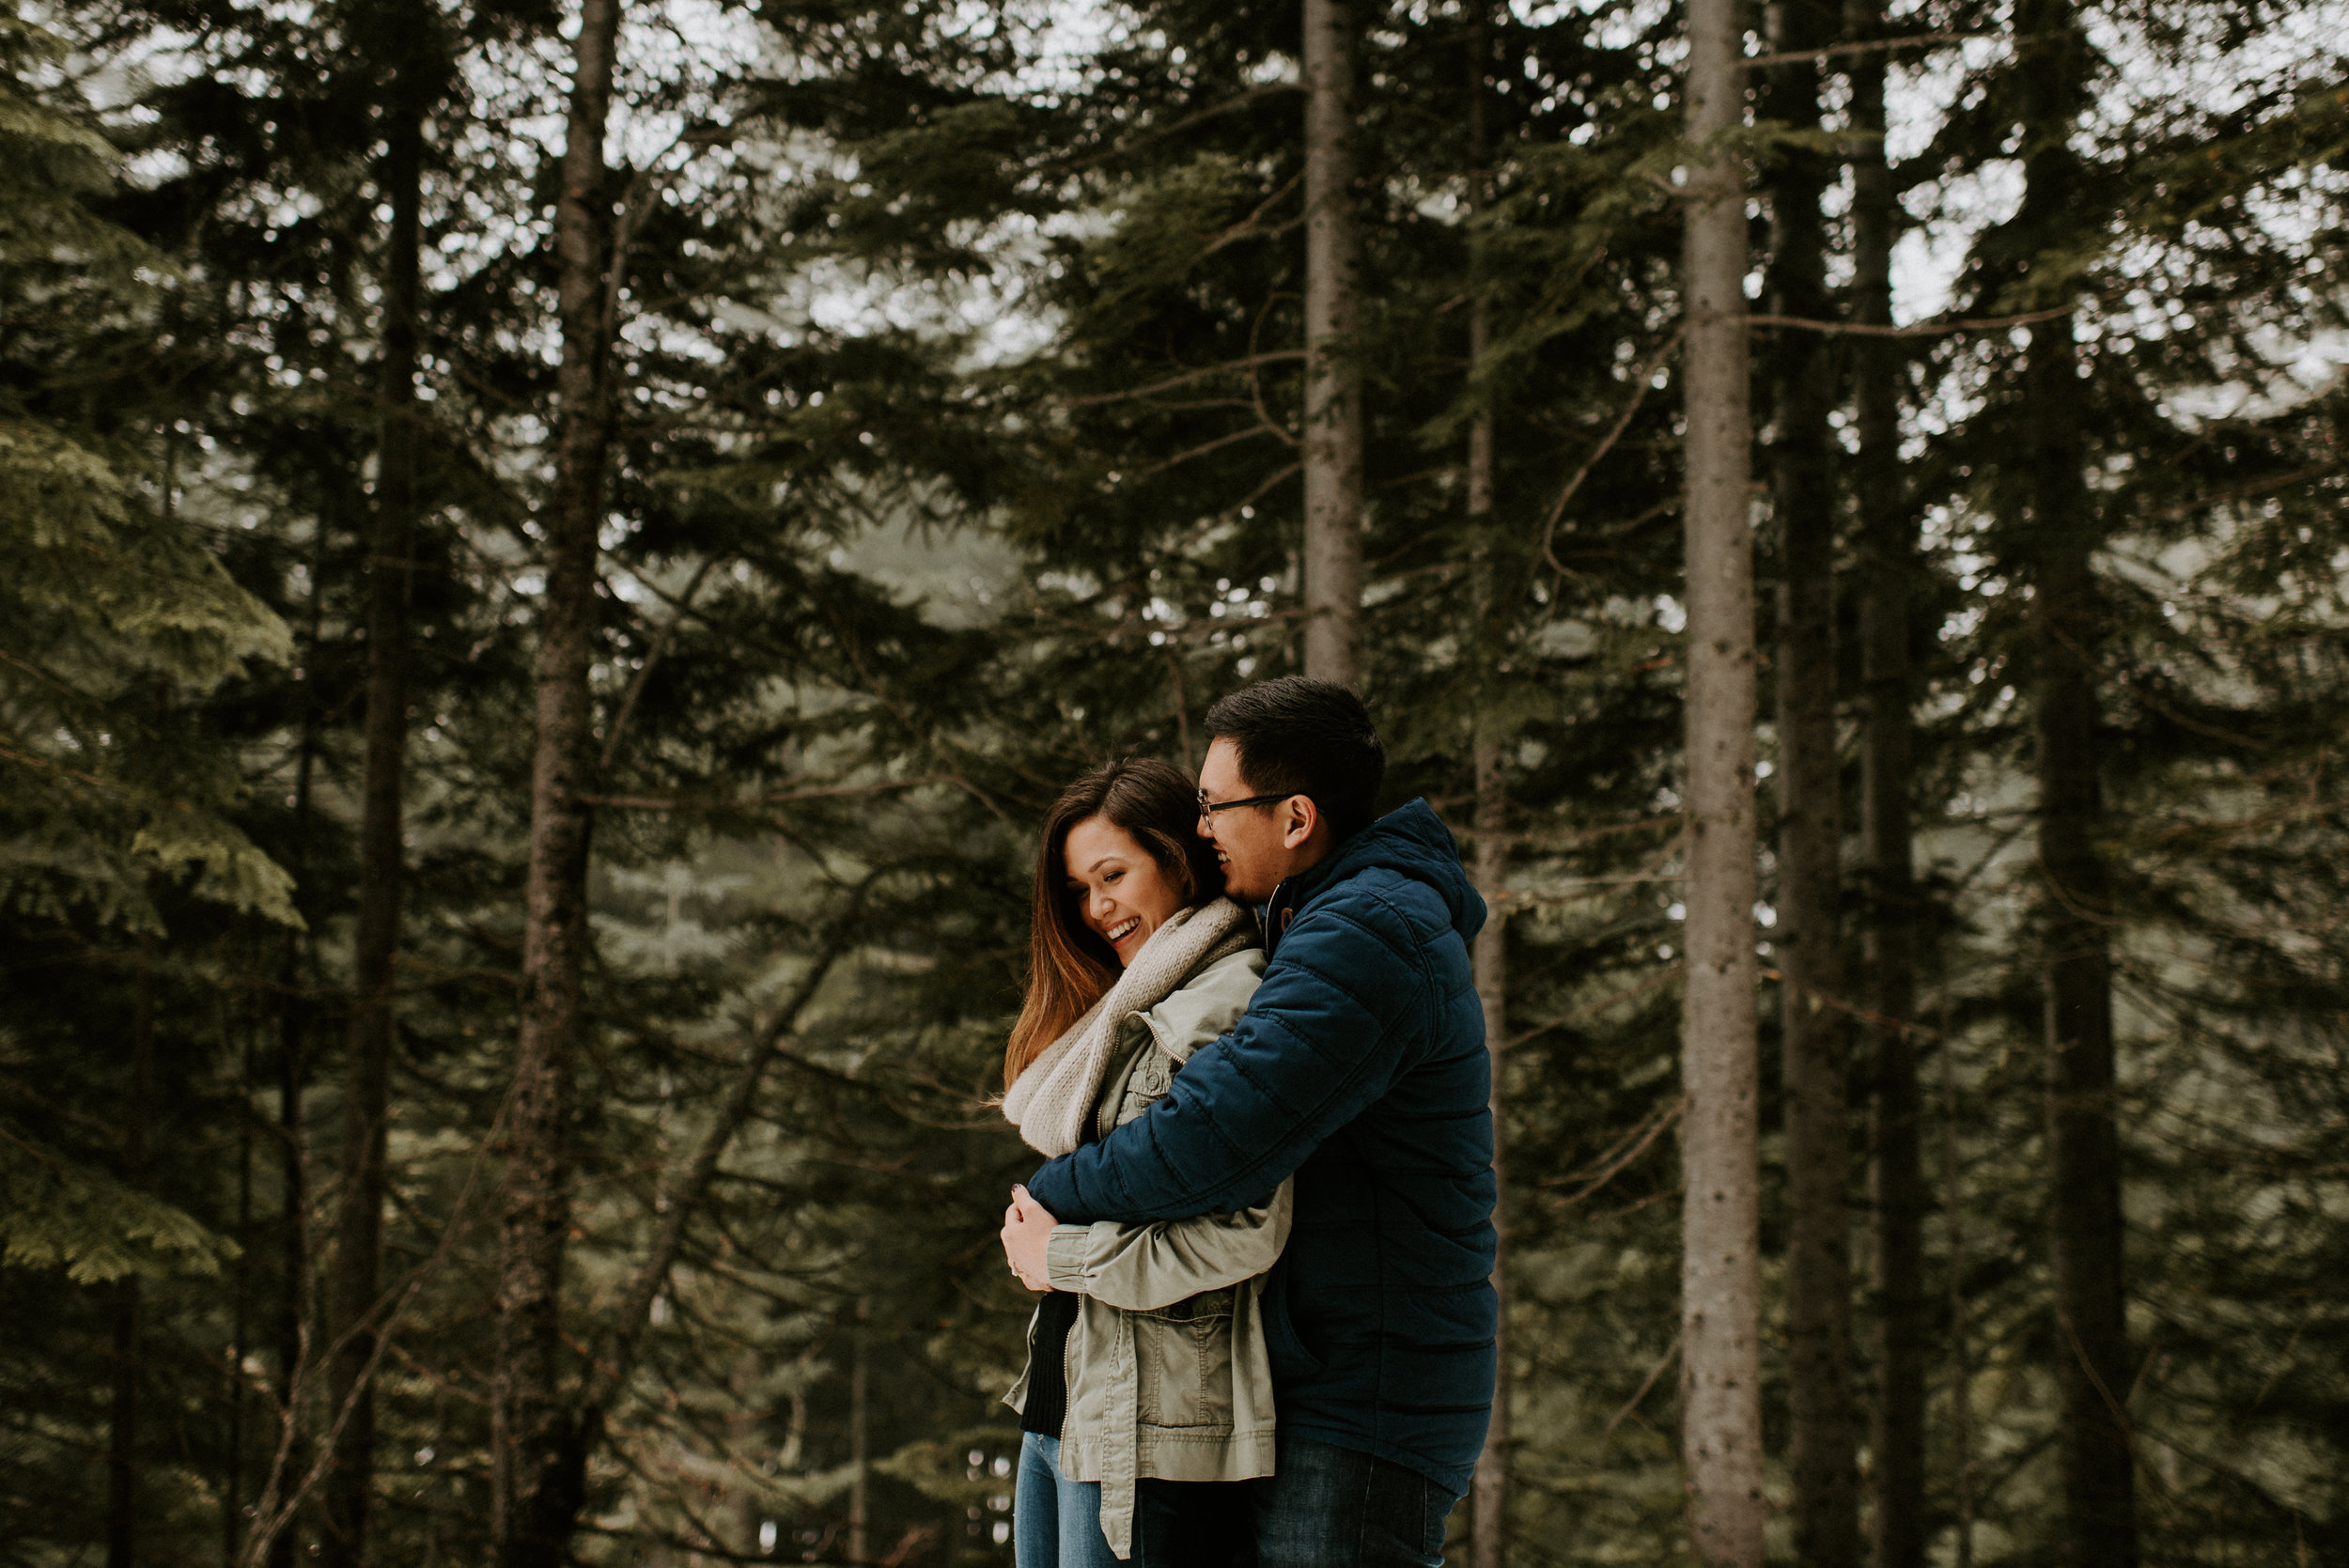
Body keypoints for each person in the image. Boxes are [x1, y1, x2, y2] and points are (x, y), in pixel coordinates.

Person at [1016, 678, 1497, 1568]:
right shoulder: (1321, 922)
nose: (1202, 827)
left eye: (1213, 805)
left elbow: (1216, 1136)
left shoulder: (1369, 931)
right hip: (1326, 1381)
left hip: (1365, 1394)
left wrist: (1051, 1196)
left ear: (1297, 817)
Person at [996, 757, 1291, 1568]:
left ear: (1176, 854)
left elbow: (1245, 1234)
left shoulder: (1223, 1004)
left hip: (1148, 1434)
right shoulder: (1125, 1009)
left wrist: (1059, 1253)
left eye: (1113, 874)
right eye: (1079, 890)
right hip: (1063, 1413)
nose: (1097, 909)